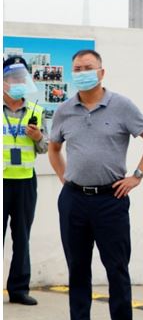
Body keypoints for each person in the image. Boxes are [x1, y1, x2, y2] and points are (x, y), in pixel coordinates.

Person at [48, 49, 143, 320]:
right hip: (74, 201)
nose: (82, 73)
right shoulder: (64, 110)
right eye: (77, 69)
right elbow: (53, 148)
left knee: (117, 268)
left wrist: (137, 176)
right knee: (77, 269)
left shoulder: (122, 106)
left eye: (88, 67)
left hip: (111, 200)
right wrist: (65, 177)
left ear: (101, 72)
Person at [3, 56, 46, 306]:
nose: (16, 83)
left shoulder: (36, 111)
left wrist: (38, 136)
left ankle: (18, 290)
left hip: (25, 181)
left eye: (21, 78)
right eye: (11, 78)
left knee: (22, 237)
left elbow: (45, 148)